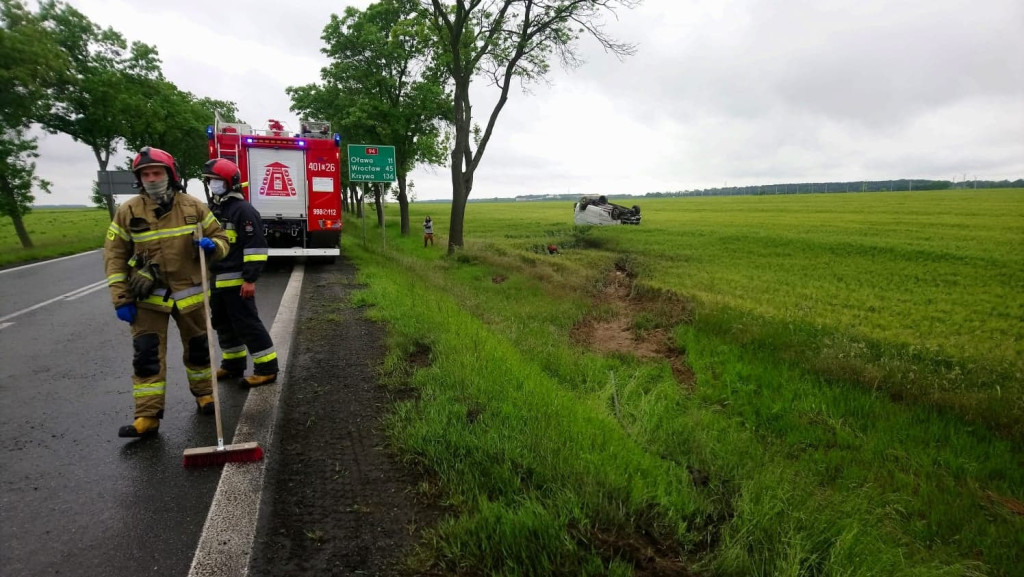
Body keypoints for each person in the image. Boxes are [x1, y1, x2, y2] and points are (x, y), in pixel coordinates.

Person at [104, 146, 230, 438]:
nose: (151, 178)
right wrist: (121, 298)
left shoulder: (194, 207)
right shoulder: (128, 211)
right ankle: (147, 416)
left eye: (156, 172)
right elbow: (114, 257)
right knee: (146, 355)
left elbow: (221, 238)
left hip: (190, 295)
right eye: (145, 174)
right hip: (148, 298)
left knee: (199, 349)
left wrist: (214, 248)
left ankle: (205, 395)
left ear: (170, 174)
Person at [202, 158, 278, 387]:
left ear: (228, 182)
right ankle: (233, 364)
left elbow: (255, 246)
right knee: (223, 324)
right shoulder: (213, 209)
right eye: (209, 180)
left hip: (237, 282)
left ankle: (267, 368)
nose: (212, 184)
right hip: (216, 282)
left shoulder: (243, 210)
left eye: (216, 180)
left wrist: (250, 279)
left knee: (247, 324)